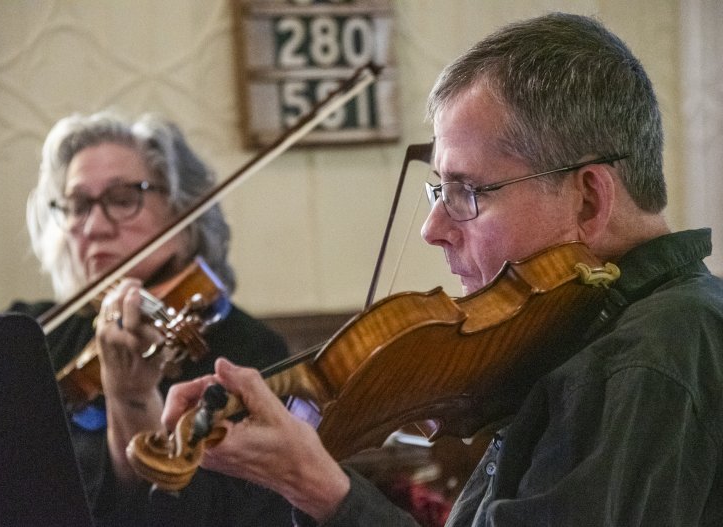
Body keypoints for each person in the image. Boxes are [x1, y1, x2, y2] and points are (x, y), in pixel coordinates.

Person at [161, 12, 723, 526]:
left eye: (468, 192)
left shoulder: (646, 357)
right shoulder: (598, 333)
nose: (433, 228)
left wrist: (321, 489)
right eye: (439, 189)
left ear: (588, 200)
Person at [11, 110, 294, 527]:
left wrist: (133, 400)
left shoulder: (242, 351)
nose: (93, 226)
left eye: (123, 198)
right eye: (76, 205)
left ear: (184, 213)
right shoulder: (32, 335)